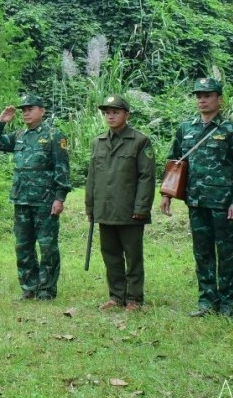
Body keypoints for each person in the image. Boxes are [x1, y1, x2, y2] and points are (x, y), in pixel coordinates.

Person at [160, 77, 233, 319]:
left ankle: (229, 304)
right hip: (196, 200)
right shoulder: (185, 128)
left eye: (207, 95)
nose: (202, 99)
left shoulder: (231, 130)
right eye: (198, 95)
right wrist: (166, 194)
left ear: (219, 99)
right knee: (202, 253)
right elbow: (174, 162)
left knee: (227, 253)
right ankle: (207, 301)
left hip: (223, 202)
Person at [0, 94, 70, 301]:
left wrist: (60, 197)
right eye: (23, 109)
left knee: (47, 245)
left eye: (30, 108)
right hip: (21, 199)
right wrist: (1, 122)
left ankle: (46, 289)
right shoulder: (19, 135)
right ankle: (29, 286)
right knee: (23, 246)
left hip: (45, 200)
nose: (26, 112)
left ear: (42, 111)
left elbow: (62, 168)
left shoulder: (54, 135)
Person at [85, 95, 155, 311]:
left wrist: (141, 207)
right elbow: (92, 177)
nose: (111, 116)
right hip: (105, 209)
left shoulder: (140, 141)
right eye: (107, 112)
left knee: (132, 256)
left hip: (129, 210)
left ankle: (134, 298)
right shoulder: (98, 142)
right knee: (111, 255)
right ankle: (116, 296)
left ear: (126, 114)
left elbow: (147, 177)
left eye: (115, 112)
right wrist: (90, 206)